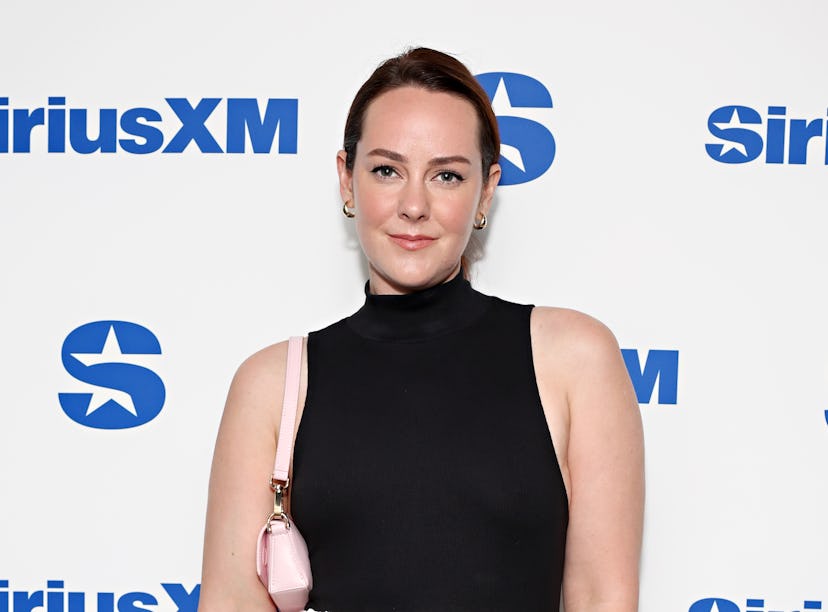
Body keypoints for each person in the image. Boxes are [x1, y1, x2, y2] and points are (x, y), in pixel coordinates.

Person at [199, 47, 644, 612]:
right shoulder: (273, 384)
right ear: (346, 179)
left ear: (485, 191)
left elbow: (602, 597)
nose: (414, 205)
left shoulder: (574, 359)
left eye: (447, 175)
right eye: (387, 170)